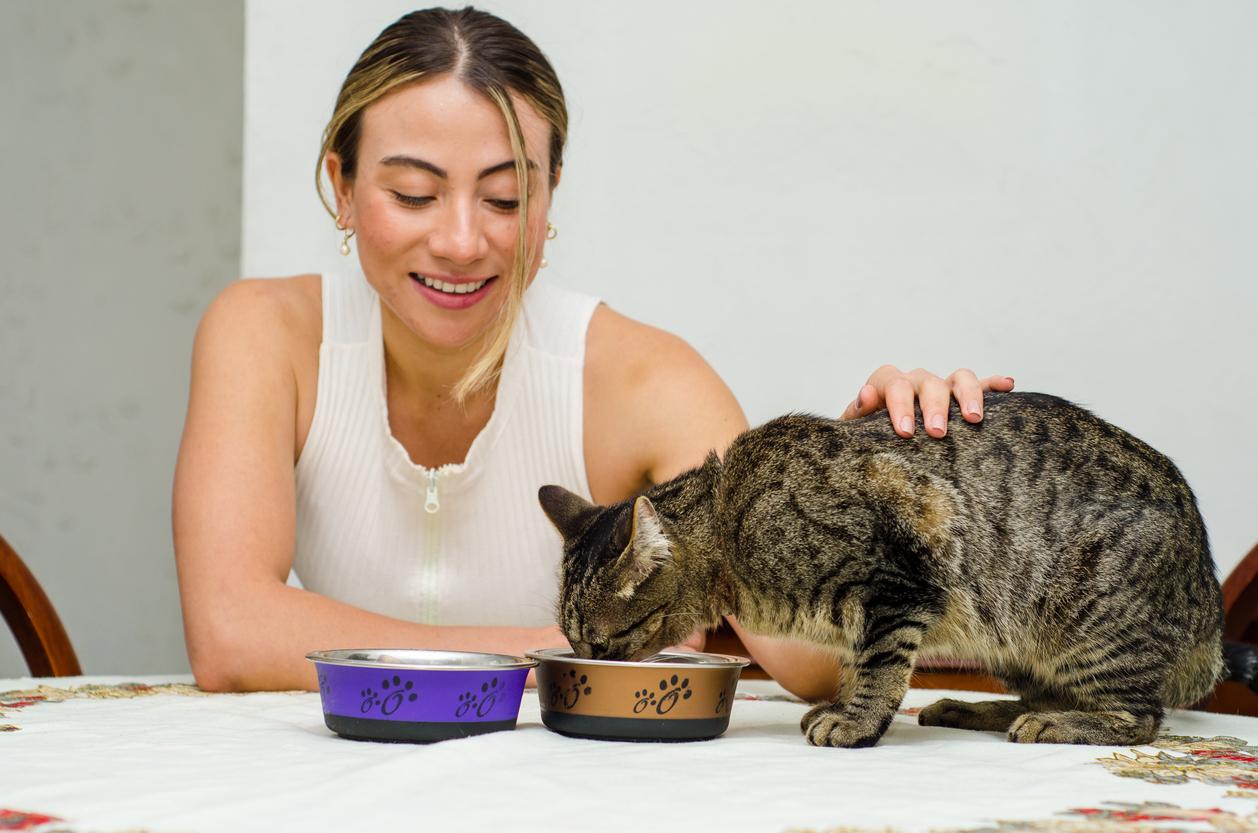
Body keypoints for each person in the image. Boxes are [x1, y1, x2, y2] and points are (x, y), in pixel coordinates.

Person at [172, 7, 1014, 697]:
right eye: (414, 193)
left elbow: (811, 664)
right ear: (344, 187)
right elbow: (232, 631)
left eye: (505, 196)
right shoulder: (265, 334)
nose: (462, 240)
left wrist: (883, 497)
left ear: (549, 201)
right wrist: (547, 651)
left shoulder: (643, 378)